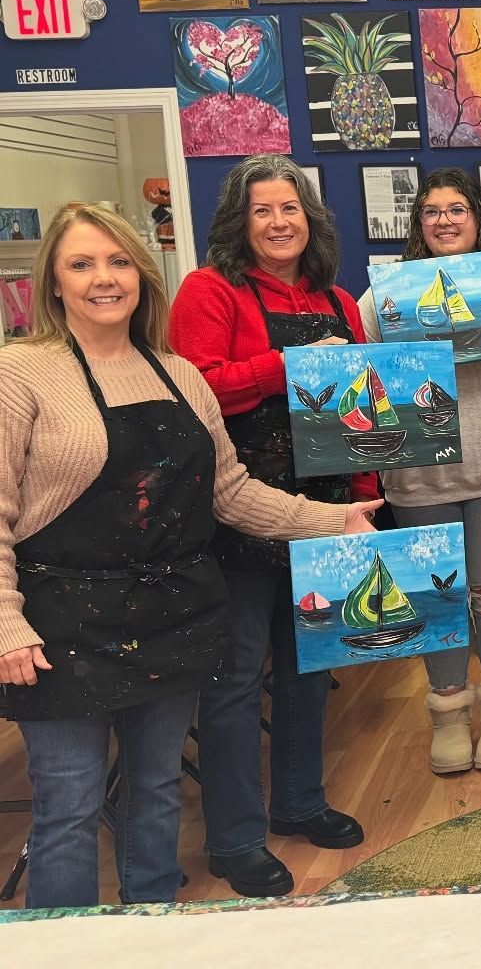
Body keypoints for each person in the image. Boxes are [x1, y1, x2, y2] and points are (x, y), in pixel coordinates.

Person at [0, 206, 377, 909]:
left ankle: (153, 925)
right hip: (60, 625)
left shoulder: (178, 373)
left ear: (143, 276)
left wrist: (334, 519)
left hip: (173, 612)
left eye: (118, 263)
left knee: (155, 790)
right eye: (82, 264)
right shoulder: (20, 373)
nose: (103, 279)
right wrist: (7, 627)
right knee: (70, 807)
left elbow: (230, 492)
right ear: (53, 281)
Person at [169, 154, 377, 897]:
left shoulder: (340, 301)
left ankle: (299, 803)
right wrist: (286, 365)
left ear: (310, 219)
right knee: (233, 681)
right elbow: (196, 390)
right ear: (238, 220)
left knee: (310, 669)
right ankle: (231, 837)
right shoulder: (208, 289)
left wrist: (362, 499)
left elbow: (362, 409)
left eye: (291, 209)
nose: (280, 222)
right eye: (263, 210)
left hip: (323, 511)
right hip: (238, 512)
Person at [357, 168, 481, 775]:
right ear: (418, 224)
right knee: (435, 595)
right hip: (416, 474)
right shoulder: (384, 293)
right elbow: (362, 374)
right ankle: (447, 710)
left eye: (457, 209)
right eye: (431, 211)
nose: (444, 220)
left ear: (478, 217)